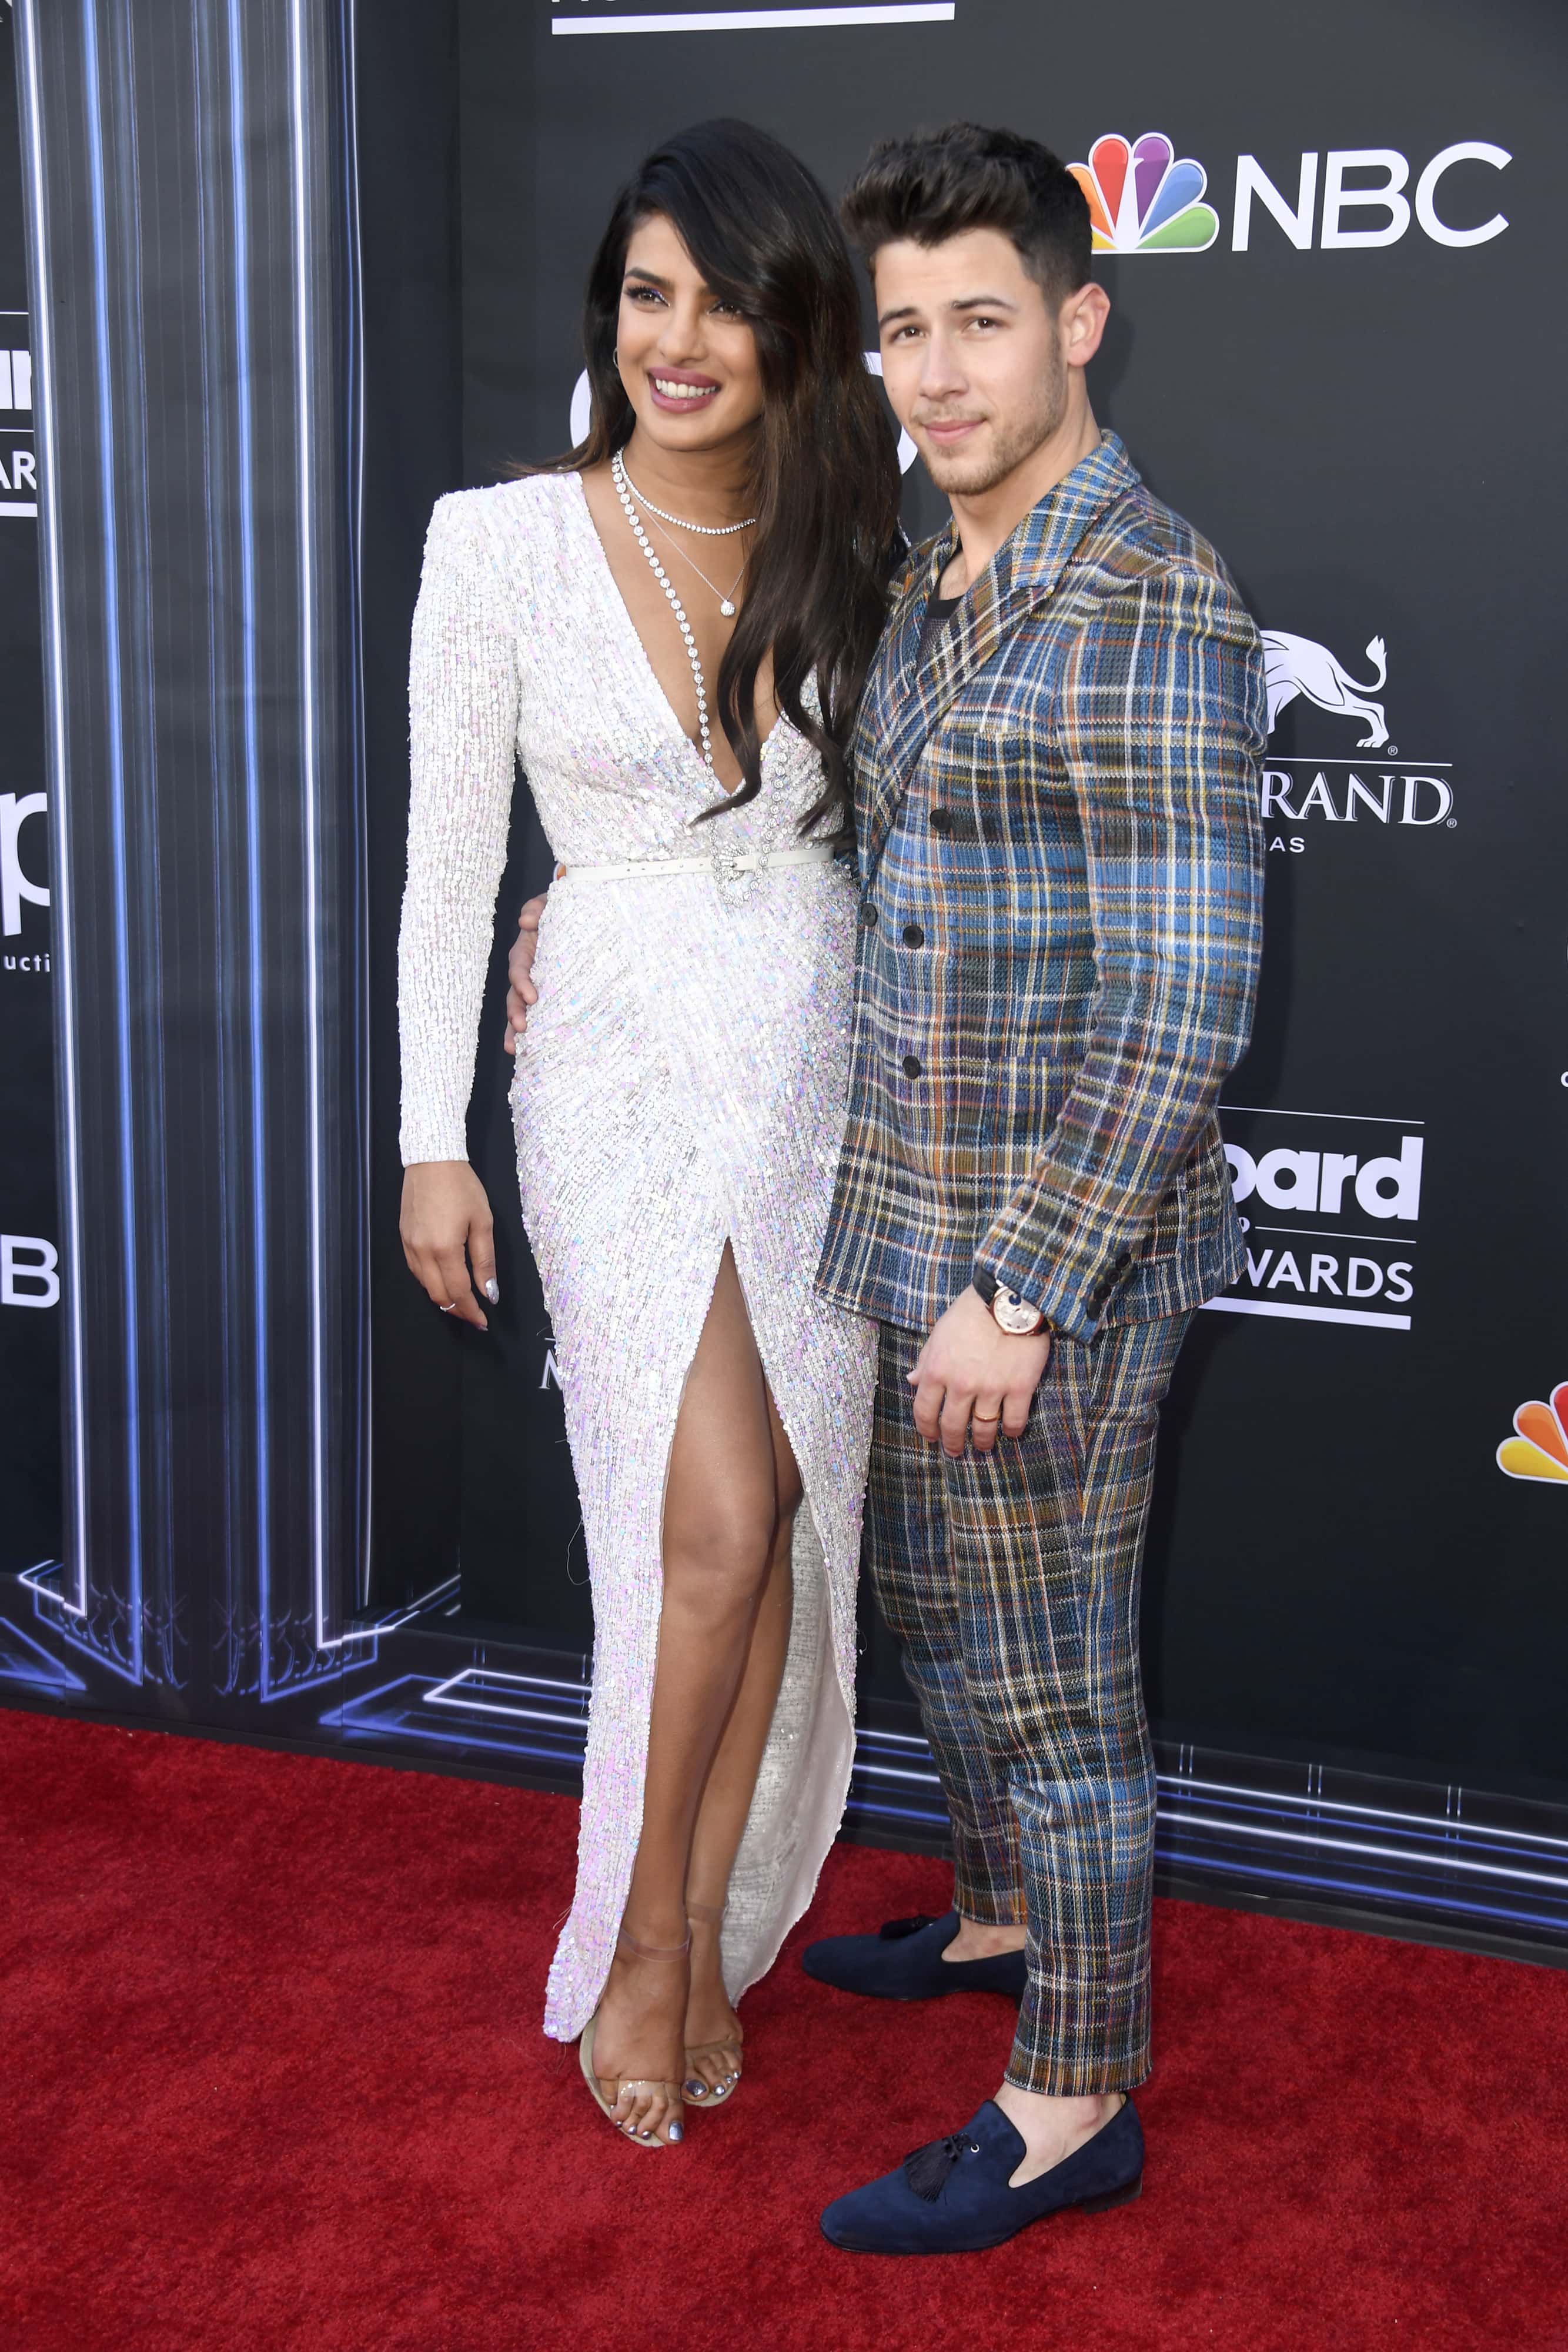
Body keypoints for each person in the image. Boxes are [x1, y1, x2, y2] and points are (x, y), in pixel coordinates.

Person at [511, 118, 1264, 2243]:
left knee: (1054, 1688)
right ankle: (998, 1918)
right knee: (938, 1617)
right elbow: (837, 865)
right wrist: (594, 913)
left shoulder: (1145, 600)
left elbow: (1182, 1000)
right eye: (904, 331)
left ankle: (1070, 2100)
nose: (935, 374)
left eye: (981, 325)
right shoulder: (931, 574)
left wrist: (1021, 1292)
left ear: (1077, 325)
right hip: (899, 1228)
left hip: (1044, 1266)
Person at [399, 118, 899, 2151]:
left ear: (795, 330)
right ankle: (642, 1942)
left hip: (815, 1060)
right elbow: (450, 870)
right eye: (643, 293)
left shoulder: (858, 542)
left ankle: (707, 1923)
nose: (674, 341)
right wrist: (429, 1138)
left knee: (775, 1513)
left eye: (722, 302)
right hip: (605, 1062)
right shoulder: (495, 541)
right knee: (700, 1520)